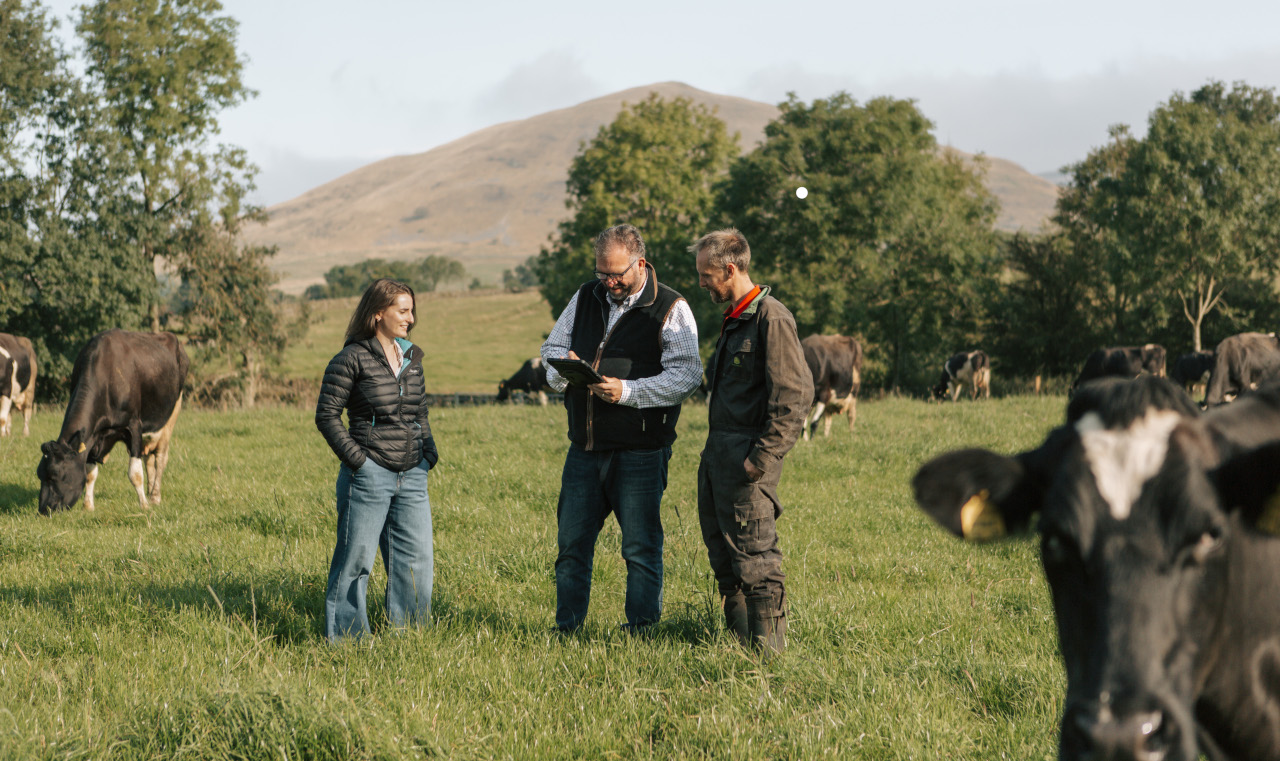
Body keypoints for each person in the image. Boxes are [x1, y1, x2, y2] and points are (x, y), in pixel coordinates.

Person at [541, 223, 702, 632]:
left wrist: (627, 392)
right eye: (602, 273)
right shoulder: (585, 296)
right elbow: (552, 348)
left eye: (616, 274)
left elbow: (687, 376)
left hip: (641, 452)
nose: (609, 282)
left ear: (640, 263)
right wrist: (564, 372)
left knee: (640, 549)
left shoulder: (671, 307)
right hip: (584, 448)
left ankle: (642, 633)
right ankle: (567, 630)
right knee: (571, 548)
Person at [692, 229, 812, 653]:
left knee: (757, 561)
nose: (701, 283)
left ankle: (769, 660)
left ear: (730, 269)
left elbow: (795, 396)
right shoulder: (734, 318)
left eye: (706, 275)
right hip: (718, 459)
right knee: (725, 560)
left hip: (746, 464)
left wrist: (760, 459)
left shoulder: (771, 318)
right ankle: (738, 651)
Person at [315, 278, 439, 642]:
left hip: (412, 474)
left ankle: (410, 636)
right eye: (403, 310)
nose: (410, 318)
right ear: (378, 313)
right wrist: (360, 462)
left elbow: (419, 412)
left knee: (416, 562)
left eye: (412, 311)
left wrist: (427, 454)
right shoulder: (351, 358)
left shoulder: (412, 358)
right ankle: (347, 640)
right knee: (355, 562)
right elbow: (327, 416)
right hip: (369, 474)